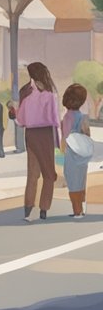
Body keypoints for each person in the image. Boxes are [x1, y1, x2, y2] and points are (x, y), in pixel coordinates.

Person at [9, 62, 59, 222]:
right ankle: (44, 209)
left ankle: (28, 210)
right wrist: (58, 141)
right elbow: (54, 119)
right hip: (45, 134)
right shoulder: (50, 93)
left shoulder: (25, 91)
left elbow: (20, 120)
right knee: (49, 174)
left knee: (32, 174)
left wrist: (13, 112)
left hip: (30, 134)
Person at [60, 83, 91, 219]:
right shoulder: (83, 117)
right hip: (82, 155)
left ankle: (77, 211)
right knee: (81, 182)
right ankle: (81, 209)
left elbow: (63, 139)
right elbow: (87, 135)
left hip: (70, 155)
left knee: (73, 184)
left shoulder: (65, 118)